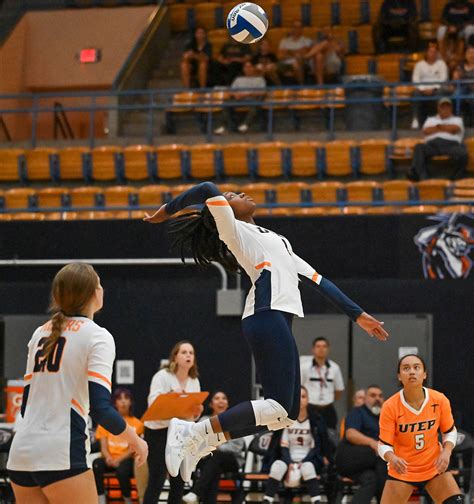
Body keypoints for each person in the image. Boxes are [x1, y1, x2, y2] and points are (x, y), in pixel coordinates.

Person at [143, 181, 388, 486]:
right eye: (232, 196)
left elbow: (317, 278)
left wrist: (357, 314)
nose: (240, 194)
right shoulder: (231, 228)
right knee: (278, 405)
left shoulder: (276, 239)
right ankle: (192, 432)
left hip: (279, 318)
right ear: (223, 210)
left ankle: (204, 441)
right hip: (264, 315)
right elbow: (206, 188)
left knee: (284, 415)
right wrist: (167, 211)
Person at [6, 263, 147, 504]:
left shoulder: (39, 333)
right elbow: (101, 408)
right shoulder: (97, 336)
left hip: (21, 454)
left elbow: (26, 403)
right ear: (94, 293)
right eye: (100, 284)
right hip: (60, 453)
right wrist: (135, 440)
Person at [378, 354, 462, 503]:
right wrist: (392, 458)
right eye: (406, 368)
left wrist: (446, 451)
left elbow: (449, 431)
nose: (411, 371)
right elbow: (383, 444)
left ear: (424, 374)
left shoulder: (439, 399)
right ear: (399, 376)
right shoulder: (390, 406)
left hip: (433, 466)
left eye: (416, 367)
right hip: (403, 470)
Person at [143, 341, 202, 504]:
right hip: (158, 432)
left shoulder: (194, 381)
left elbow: (191, 414)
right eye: (184, 352)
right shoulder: (162, 377)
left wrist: (196, 413)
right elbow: (152, 405)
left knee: (179, 479)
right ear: (174, 357)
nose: (188, 355)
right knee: (157, 478)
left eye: (191, 352)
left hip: (181, 433)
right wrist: (170, 396)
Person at [263, 386, 330, 504]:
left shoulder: (316, 420)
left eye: (303, 397)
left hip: (309, 459)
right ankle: (267, 500)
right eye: (297, 397)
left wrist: (301, 463)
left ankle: (316, 501)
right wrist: (289, 463)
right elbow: (283, 446)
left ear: (308, 400)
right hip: (288, 458)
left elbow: (316, 447)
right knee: (277, 465)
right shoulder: (286, 419)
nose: (300, 400)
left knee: (307, 467)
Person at [183, 391, 245, 504]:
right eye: (217, 398)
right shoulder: (204, 421)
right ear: (211, 404)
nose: (221, 401)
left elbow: (237, 447)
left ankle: (196, 492)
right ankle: (198, 496)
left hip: (231, 460)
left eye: (224, 398)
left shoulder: (235, 421)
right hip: (208, 458)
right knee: (214, 466)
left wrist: (217, 447)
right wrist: (211, 448)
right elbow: (197, 443)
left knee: (216, 456)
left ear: (227, 404)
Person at [335, 385, 387, 504]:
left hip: (369, 466)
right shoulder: (357, 412)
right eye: (373, 395)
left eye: (380, 396)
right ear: (365, 398)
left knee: (372, 479)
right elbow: (351, 434)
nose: (377, 398)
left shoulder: (385, 416)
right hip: (351, 458)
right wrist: (373, 443)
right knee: (381, 460)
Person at [93, 388, 144, 504]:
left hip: (126, 459)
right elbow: (103, 447)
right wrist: (108, 458)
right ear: (115, 402)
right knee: (96, 464)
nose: (123, 401)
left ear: (131, 402)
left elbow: (134, 448)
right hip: (110, 458)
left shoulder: (138, 424)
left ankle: (127, 499)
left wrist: (118, 459)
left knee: (122, 470)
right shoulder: (106, 422)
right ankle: (101, 499)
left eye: (126, 398)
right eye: (120, 398)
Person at [408, 97, 468, 181]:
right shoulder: (431, 119)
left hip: (450, 145)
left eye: (447, 106)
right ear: (438, 108)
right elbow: (426, 131)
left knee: (463, 153)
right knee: (419, 148)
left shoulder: (457, 119)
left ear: (451, 108)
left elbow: (454, 129)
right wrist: (445, 128)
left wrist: (437, 127)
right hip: (432, 145)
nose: (445, 109)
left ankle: (456, 178)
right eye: (442, 106)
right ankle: (423, 177)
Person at [301, 337, 344, 430]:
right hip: (310, 408)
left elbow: (339, 390)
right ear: (313, 349)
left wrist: (329, 400)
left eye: (324, 346)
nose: (321, 349)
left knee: (330, 435)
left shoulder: (334, 368)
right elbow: (300, 387)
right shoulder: (304, 367)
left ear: (328, 349)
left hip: (328, 408)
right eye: (318, 346)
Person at [214, 61, 266, 135]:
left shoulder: (260, 79)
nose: (248, 69)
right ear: (243, 69)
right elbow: (231, 91)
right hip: (239, 99)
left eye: (250, 67)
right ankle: (223, 127)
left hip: (252, 99)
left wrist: (248, 94)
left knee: (257, 103)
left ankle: (245, 124)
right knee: (226, 104)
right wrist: (235, 94)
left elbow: (263, 92)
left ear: (253, 68)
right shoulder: (238, 79)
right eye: (246, 67)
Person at [411, 42, 449, 129]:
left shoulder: (441, 64)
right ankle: (415, 119)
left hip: (437, 89)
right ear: (426, 53)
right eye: (431, 52)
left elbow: (443, 78)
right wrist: (423, 89)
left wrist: (433, 88)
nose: (433, 54)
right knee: (415, 93)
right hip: (422, 90)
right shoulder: (419, 65)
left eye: (435, 52)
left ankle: (442, 119)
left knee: (441, 92)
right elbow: (415, 80)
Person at [453, 45, 474, 126]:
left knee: (473, 98)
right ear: (465, 55)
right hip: (463, 87)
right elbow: (455, 80)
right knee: (456, 95)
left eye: (473, 53)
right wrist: (456, 76)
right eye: (469, 53)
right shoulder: (460, 66)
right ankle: (458, 118)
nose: (471, 55)